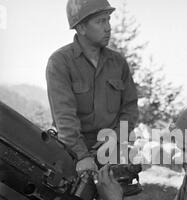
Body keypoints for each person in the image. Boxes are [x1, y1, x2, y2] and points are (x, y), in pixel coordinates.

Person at [46, 0, 139, 172]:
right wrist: (81, 156)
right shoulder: (60, 62)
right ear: (81, 28)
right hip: (73, 154)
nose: (108, 27)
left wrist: (116, 139)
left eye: (108, 20)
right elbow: (64, 118)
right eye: (100, 21)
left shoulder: (118, 63)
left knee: (114, 197)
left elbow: (130, 108)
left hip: (113, 150)